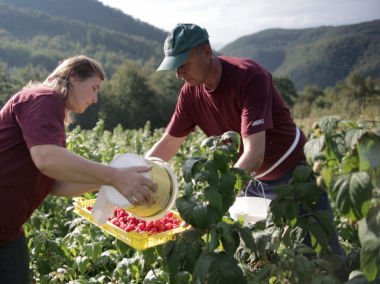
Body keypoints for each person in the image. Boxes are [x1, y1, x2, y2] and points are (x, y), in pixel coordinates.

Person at [0, 55, 158, 283]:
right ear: (74, 77)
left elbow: (54, 184)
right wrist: (114, 176)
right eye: (94, 87)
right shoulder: (43, 97)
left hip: (5, 226)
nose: (96, 98)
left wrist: (110, 181)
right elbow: (47, 159)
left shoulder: (50, 111)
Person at [145, 23, 346, 258]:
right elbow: (169, 143)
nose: (179, 74)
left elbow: (254, 153)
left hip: (293, 175)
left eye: (184, 65)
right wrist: (133, 175)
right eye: (175, 67)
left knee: (322, 255)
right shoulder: (189, 94)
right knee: (252, 256)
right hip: (247, 179)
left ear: (207, 52)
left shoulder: (249, 76)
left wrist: (215, 201)